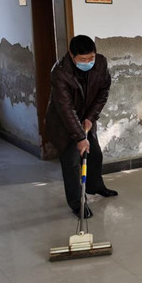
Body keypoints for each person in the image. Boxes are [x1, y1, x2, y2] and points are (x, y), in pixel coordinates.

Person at [45, 35, 118, 219]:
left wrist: (90, 117)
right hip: (64, 122)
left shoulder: (100, 63)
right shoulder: (60, 72)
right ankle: (77, 202)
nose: (88, 62)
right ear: (71, 55)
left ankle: (95, 186)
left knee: (95, 154)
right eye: (83, 59)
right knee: (71, 162)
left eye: (91, 58)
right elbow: (65, 109)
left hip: (86, 117)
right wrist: (79, 137)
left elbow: (103, 91)